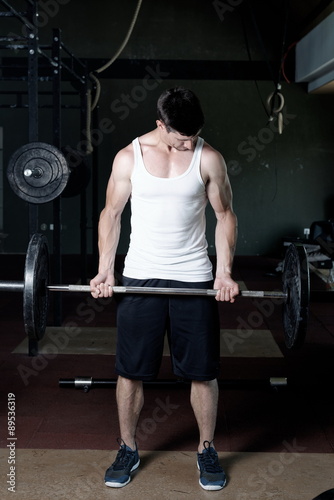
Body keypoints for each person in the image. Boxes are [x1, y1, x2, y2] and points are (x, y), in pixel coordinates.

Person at [90, 87, 239, 491]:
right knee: (131, 371)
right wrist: (106, 270)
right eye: (180, 138)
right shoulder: (129, 157)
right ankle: (127, 447)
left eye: (194, 135)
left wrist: (223, 273)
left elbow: (225, 216)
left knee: (203, 373)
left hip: (193, 276)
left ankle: (206, 449)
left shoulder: (209, 158)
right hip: (141, 276)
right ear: (160, 125)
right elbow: (111, 214)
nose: (188, 144)